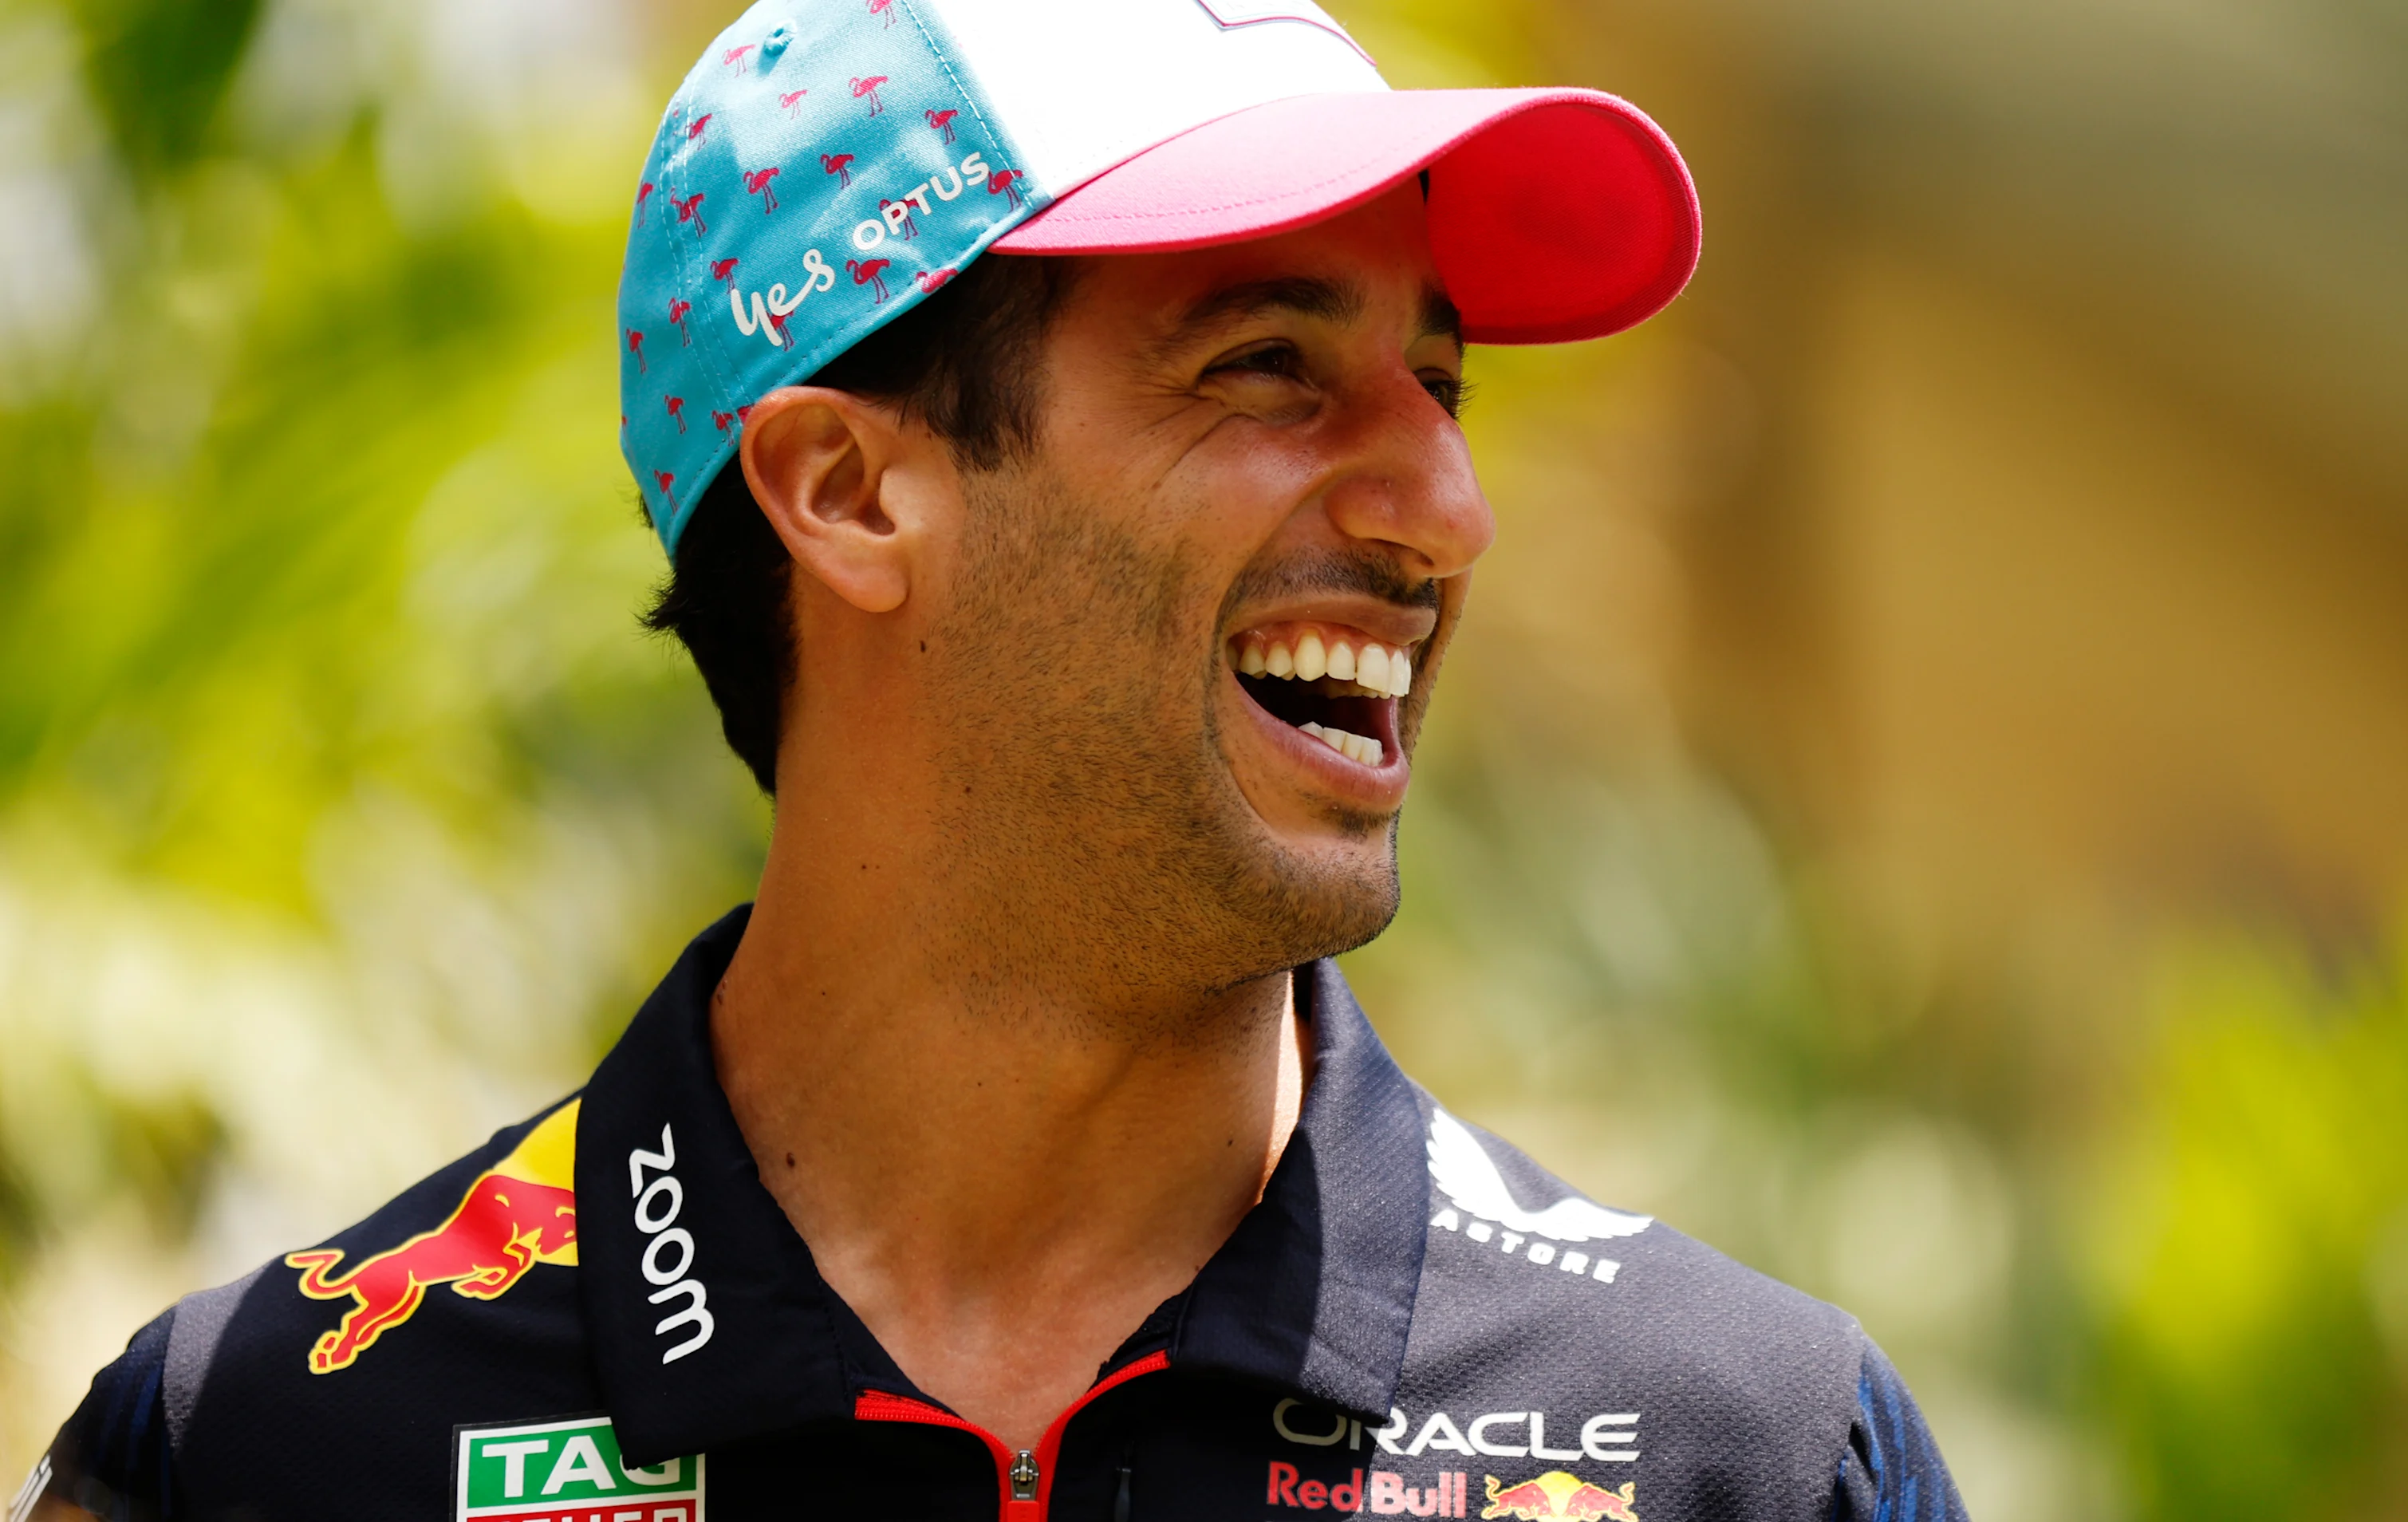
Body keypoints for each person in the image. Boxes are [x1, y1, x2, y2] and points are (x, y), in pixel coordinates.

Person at [24, 2, 1967, 1519]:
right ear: (853, 491)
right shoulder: (268, 1450)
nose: (1446, 506)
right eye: (1267, 366)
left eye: (1438, 384)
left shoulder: (1754, 1455)